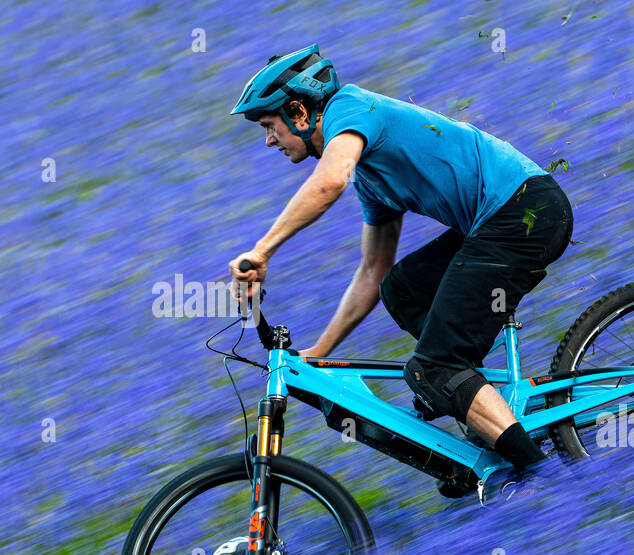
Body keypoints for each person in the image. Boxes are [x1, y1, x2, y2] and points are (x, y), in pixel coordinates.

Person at [227, 44, 572, 487]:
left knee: (432, 370)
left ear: (298, 111)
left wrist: (264, 249)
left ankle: (548, 478)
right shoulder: (372, 178)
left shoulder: (350, 109)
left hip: (524, 214)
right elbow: (373, 271)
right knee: (401, 287)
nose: (269, 140)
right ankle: (479, 403)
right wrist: (318, 353)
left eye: (269, 127)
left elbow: (329, 181)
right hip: (506, 218)